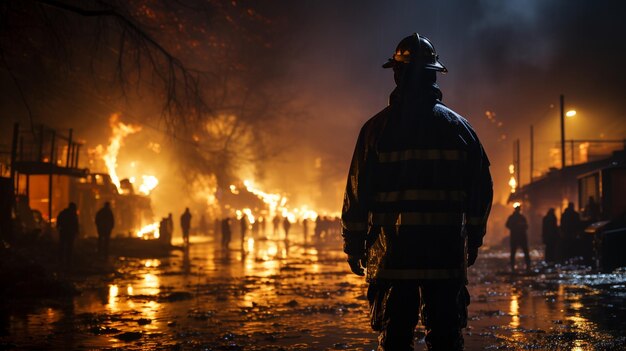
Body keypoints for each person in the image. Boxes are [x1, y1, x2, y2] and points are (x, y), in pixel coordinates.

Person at [341, 33, 492, 351]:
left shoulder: (375, 130)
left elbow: (357, 192)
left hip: (393, 256)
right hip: (445, 253)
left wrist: (353, 245)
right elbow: (481, 190)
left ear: (397, 74)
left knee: (395, 338)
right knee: (446, 338)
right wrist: (474, 238)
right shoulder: (460, 129)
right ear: (434, 74)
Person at [506, 205, 531, 272]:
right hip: (520, 237)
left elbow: (526, 226)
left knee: (514, 252)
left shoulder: (514, 217)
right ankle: (527, 266)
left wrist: (515, 227)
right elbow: (526, 226)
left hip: (516, 237)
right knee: (524, 252)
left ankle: (513, 267)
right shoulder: (521, 217)